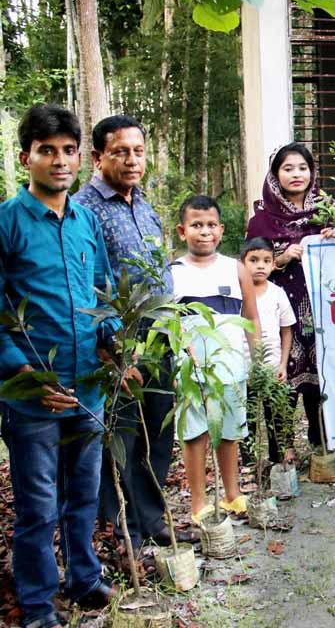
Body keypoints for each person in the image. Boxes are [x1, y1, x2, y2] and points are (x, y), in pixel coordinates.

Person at [0, 104, 123, 628]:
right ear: (25, 156)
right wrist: (21, 373)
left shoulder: (86, 222)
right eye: (46, 150)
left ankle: (84, 577)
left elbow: (103, 291)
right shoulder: (7, 221)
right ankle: (36, 604)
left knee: (85, 494)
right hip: (33, 393)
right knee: (37, 506)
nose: (59, 160)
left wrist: (113, 344)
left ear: (79, 157)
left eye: (68, 150)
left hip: (88, 387)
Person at [73, 114, 192, 553]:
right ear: (99, 155)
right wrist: (110, 349)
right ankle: (125, 527)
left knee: (157, 429)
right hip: (119, 333)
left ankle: (152, 515)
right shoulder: (84, 209)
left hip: (160, 331)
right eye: (120, 151)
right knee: (121, 432)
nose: (131, 159)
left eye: (138, 151)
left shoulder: (144, 203)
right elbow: (87, 284)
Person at [173, 195, 260, 523]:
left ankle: (232, 493)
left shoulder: (235, 268)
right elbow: (169, 324)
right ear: (183, 231)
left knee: (229, 431)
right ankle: (198, 502)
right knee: (195, 434)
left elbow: (250, 318)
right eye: (196, 225)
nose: (204, 232)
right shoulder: (174, 272)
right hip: (191, 370)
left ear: (221, 230)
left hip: (231, 369)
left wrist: (257, 361)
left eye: (211, 225)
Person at [247, 143, 335, 455]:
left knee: (320, 377)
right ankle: (281, 450)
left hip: (321, 310)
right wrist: (281, 258)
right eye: (287, 168)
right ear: (275, 175)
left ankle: (322, 444)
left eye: (302, 167)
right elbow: (250, 268)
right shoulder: (260, 220)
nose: (296, 174)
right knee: (281, 376)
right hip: (277, 314)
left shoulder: (326, 211)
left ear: (312, 173)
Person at [241, 236, 297, 464]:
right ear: (242, 263)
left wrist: (283, 364)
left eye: (266, 260)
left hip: (273, 368)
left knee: (276, 416)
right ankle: (250, 464)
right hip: (244, 369)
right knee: (247, 419)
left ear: (274, 263)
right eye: (253, 260)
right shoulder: (236, 294)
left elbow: (287, 330)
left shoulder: (277, 293)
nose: (260, 265)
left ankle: (278, 460)